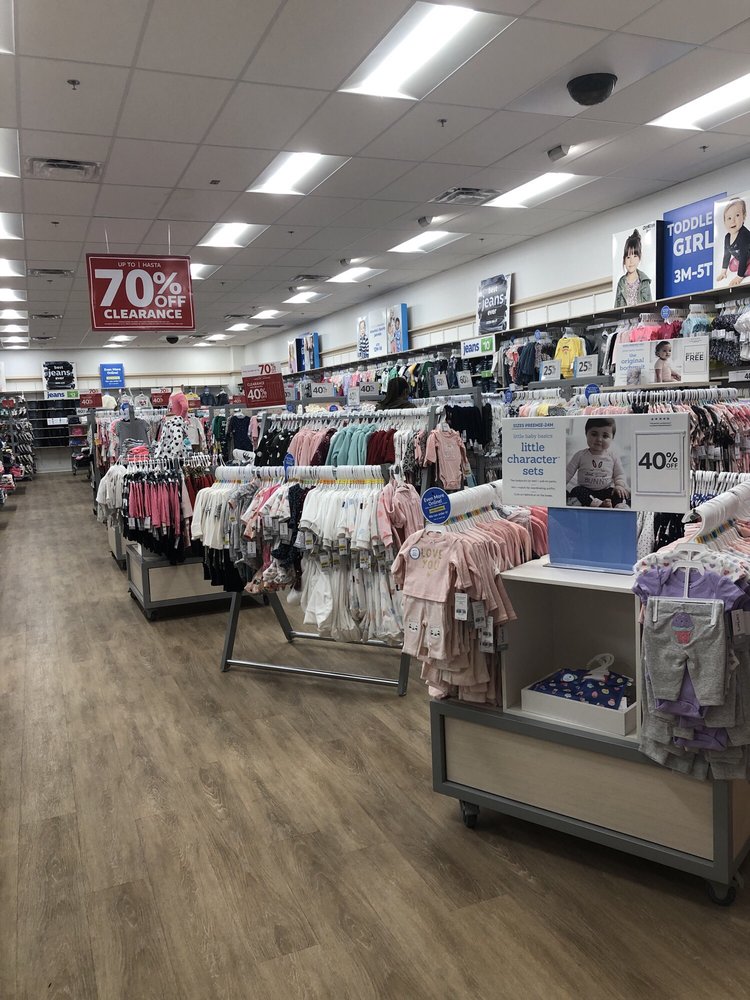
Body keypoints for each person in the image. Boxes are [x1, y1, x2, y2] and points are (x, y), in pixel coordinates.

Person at [566, 418, 630, 509]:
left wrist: (619, 485)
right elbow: (568, 472)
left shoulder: (613, 456)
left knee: (619, 492)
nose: (599, 439)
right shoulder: (580, 455)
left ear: (612, 438)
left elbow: (619, 474)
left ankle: (619, 505)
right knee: (576, 490)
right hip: (587, 491)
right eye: (594, 434)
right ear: (586, 434)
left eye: (605, 436)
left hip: (606, 490)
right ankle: (599, 504)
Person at [716, 198, 750, 287]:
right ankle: (741, 266)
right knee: (731, 267)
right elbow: (727, 254)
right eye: (729, 218)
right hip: (740, 258)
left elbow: (744, 256)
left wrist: (739, 276)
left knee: (746, 271)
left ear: (744, 216)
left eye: (737, 215)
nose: (733, 221)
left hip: (747, 256)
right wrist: (723, 271)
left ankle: (744, 269)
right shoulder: (727, 237)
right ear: (724, 222)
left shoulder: (744, 235)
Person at [614, 229, 653, 308]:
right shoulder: (621, 283)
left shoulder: (644, 281)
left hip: (640, 315)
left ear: (639, 258)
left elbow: (650, 306)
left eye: (635, 256)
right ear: (624, 260)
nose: (631, 261)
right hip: (625, 316)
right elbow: (616, 308)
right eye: (628, 257)